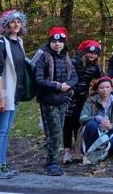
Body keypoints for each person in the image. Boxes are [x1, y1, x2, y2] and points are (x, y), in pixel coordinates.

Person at [0, 9, 28, 179]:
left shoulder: (19, 42)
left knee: (6, 131)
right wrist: (0, 98)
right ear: (6, 25)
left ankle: (3, 164)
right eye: (12, 21)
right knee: (0, 131)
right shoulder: (0, 44)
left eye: (19, 21)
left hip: (15, 93)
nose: (16, 24)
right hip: (4, 92)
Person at [36, 26, 78, 176]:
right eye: (54, 41)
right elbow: (39, 79)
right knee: (55, 132)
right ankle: (51, 163)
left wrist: (68, 86)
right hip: (48, 100)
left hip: (63, 100)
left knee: (57, 131)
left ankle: (51, 155)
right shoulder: (43, 56)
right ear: (50, 41)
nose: (57, 44)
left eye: (60, 42)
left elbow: (74, 77)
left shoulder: (66, 57)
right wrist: (58, 86)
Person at [63, 40, 104, 165]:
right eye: (90, 53)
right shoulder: (74, 62)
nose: (92, 55)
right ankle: (67, 151)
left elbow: (103, 80)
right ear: (85, 52)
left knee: (79, 122)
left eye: (95, 54)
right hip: (69, 95)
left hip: (83, 97)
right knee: (68, 123)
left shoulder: (95, 67)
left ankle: (78, 149)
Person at [79, 77, 113, 162]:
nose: (105, 90)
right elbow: (82, 119)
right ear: (97, 90)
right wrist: (95, 118)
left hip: (109, 131)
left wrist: (110, 126)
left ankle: (102, 151)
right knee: (92, 124)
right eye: (101, 88)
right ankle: (89, 153)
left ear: (111, 89)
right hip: (94, 131)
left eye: (107, 87)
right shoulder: (91, 100)